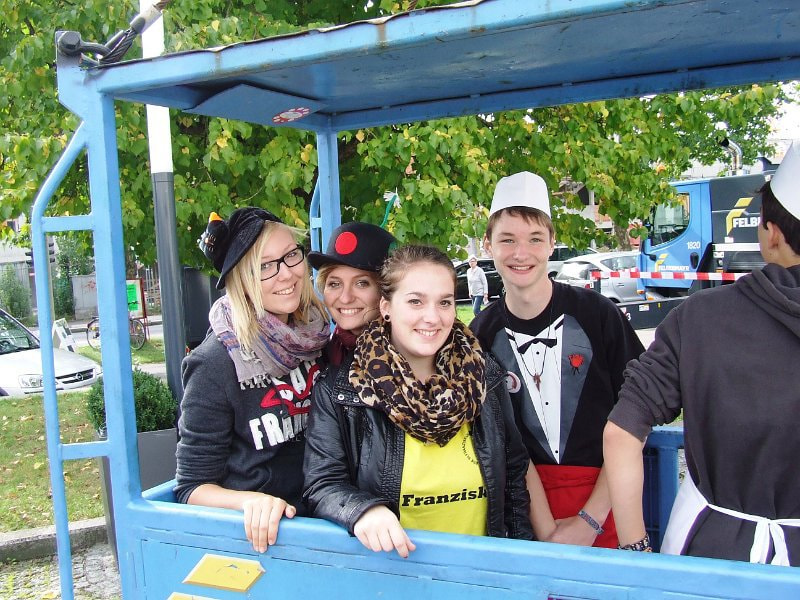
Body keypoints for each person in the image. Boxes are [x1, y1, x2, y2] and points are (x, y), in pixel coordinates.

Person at [604, 143, 800, 563]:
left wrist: (636, 551)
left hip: (712, 550)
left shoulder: (700, 316)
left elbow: (621, 432)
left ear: (771, 233)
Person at [303, 245, 534, 557]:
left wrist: (518, 562)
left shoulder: (484, 377)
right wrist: (363, 510)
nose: (432, 317)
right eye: (415, 301)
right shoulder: (342, 391)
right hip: (391, 571)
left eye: (444, 302)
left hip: (480, 571)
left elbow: (514, 478)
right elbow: (322, 484)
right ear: (386, 307)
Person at [470, 172, 644, 548]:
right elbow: (498, 439)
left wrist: (590, 520)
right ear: (487, 245)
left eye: (535, 239)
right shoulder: (479, 335)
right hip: (522, 511)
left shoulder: (599, 315)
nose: (521, 253)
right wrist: (547, 530)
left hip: (611, 501)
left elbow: (638, 415)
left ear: (552, 243)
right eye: (507, 239)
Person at [175, 207, 330, 553]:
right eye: (265, 266)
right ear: (242, 280)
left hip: (327, 523)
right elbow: (191, 487)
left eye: (291, 255)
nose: (287, 274)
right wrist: (249, 502)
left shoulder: (316, 338)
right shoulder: (214, 363)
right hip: (267, 542)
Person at [307, 221, 397, 365]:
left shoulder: (405, 358)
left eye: (361, 283)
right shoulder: (323, 353)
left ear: (386, 291)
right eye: (334, 284)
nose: (345, 298)